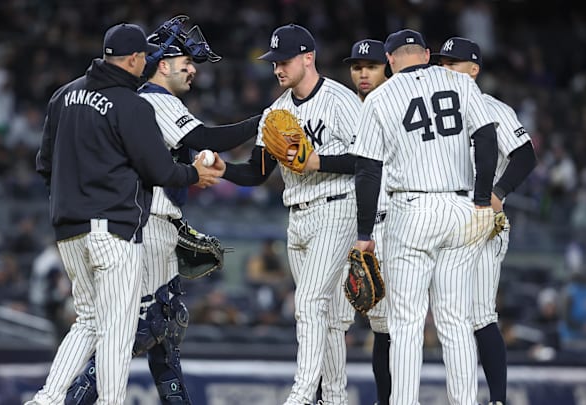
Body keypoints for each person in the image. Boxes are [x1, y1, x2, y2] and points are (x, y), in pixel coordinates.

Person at [65, 16, 259, 405]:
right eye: (185, 61)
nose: (192, 69)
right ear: (162, 64)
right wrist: (264, 119)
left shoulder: (146, 102)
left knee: (165, 335)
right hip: (148, 224)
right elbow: (208, 138)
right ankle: (74, 399)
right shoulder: (155, 100)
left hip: (153, 222)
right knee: (147, 326)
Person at [26, 22, 223, 405]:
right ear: (134, 59)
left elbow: (44, 164)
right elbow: (160, 172)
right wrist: (194, 174)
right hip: (113, 230)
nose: (146, 64)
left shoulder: (63, 95)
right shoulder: (129, 103)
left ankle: (46, 400)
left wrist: (66, 206)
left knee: (88, 320)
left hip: (69, 228)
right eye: (144, 58)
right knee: (117, 328)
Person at [349, 29, 498, 405]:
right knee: (455, 321)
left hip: (412, 211)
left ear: (390, 60)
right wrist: (482, 201)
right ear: (428, 54)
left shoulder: (381, 97)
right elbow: (486, 139)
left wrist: (365, 231)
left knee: (406, 324)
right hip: (462, 208)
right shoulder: (459, 82)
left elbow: (367, 172)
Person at [222, 23, 362, 405]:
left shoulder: (341, 100)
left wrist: (317, 161)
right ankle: (334, 397)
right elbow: (256, 171)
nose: (277, 69)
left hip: (337, 207)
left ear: (308, 58)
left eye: (284, 61)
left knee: (309, 302)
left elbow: (367, 161)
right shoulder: (276, 111)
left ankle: (301, 395)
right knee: (329, 317)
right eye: (274, 63)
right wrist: (223, 171)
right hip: (297, 216)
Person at [432, 36, 538, 405]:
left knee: (478, 314)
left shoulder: (492, 107)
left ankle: (496, 400)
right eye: (442, 63)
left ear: (473, 70)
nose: (445, 70)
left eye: (453, 64)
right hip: (442, 219)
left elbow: (525, 155)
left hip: (481, 218)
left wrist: (498, 193)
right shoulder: (432, 113)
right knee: (443, 317)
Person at [341, 38, 391, 405]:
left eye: (370, 66)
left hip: (391, 221)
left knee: (389, 326)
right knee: (337, 320)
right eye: (357, 66)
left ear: (386, 67)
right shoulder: (344, 107)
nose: (362, 73)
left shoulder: (395, 105)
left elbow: (361, 164)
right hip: (344, 220)